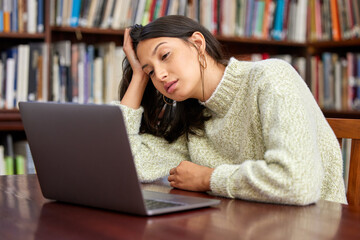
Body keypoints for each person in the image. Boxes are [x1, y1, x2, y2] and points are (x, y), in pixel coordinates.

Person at [112, 15, 347, 205]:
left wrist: (208, 178)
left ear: (197, 43)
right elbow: (128, 163)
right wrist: (138, 76)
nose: (160, 75)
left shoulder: (271, 77)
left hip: (315, 227)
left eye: (165, 55)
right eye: (151, 71)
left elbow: (298, 182)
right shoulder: (196, 122)